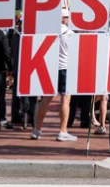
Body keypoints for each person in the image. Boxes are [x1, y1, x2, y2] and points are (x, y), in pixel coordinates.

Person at [31, 9, 78, 142]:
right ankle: (62, 131)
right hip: (65, 68)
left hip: (50, 68)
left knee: (45, 100)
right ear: (64, 18)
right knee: (65, 100)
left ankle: (37, 129)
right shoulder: (70, 34)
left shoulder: (49, 32)